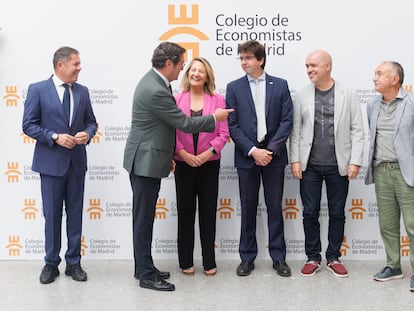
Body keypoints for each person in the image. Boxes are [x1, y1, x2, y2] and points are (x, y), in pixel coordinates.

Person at [123, 42, 233, 292]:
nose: (184, 68)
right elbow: (183, 123)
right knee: (143, 220)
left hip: (150, 158)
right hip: (145, 160)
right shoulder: (158, 89)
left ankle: (144, 267)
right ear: (170, 63)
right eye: (182, 63)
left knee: (145, 218)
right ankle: (146, 274)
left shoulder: (158, 83)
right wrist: (214, 117)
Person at [22, 46, 97, 284]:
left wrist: (87, 133)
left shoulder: (83, 92)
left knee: (75, 215)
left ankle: (73, 263)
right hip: (51, 166)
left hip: (76, 164)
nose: (79, 68)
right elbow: (28, 125)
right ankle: (51, 263)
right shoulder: (37, 90)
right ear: (60, 66)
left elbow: (91, 122)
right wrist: (55, 137)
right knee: (52, 216)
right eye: (75, 64)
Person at [289, 50, 364, 278]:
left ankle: (333, 257)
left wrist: (355, 161)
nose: (309, 70)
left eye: (313, 65)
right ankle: (313, 257)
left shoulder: (348, 93)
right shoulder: (301, 94)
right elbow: (296, 131)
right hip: (309, 165)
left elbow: (359, 131)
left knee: (337, 212)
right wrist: (295, 159)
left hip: (338, 165)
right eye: (307, 66)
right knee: (309, 212)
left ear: (327, 66)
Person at [226, 40, 293, 277]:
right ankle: (247, 258)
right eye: (241, 59)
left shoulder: (281, 85)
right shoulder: (233, 87)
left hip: (273, 158)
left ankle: (279, 258)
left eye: (248, 58)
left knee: (275, 208)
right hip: (247, 158)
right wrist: (253, 151)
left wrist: (270, 151)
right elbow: (232, 125)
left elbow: (287, 121)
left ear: (260, 59)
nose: (244, 62)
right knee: (248, 208)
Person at [174, 57, 229, 276]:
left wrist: (207, 154)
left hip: (209, 164)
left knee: (208, 213)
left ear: (207, 76)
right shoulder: (176, 99)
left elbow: (224, 134)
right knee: (185, 213)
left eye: (201, 71)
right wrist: (183, 154)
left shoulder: (217, 100)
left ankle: (209, 261)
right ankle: (185, 261)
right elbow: (170, 132)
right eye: (193, 70)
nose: (196, 74)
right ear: (187, 73)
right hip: (183, 163)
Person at [365, 61, 414, 292]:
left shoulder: (412, 102)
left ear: (395, 79)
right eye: (375, 74)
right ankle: (393, 266)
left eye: (379, 74)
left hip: (407, 172)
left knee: (413, 224)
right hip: (381, 170)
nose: (374, 78)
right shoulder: (372, 105)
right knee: (387, 224)